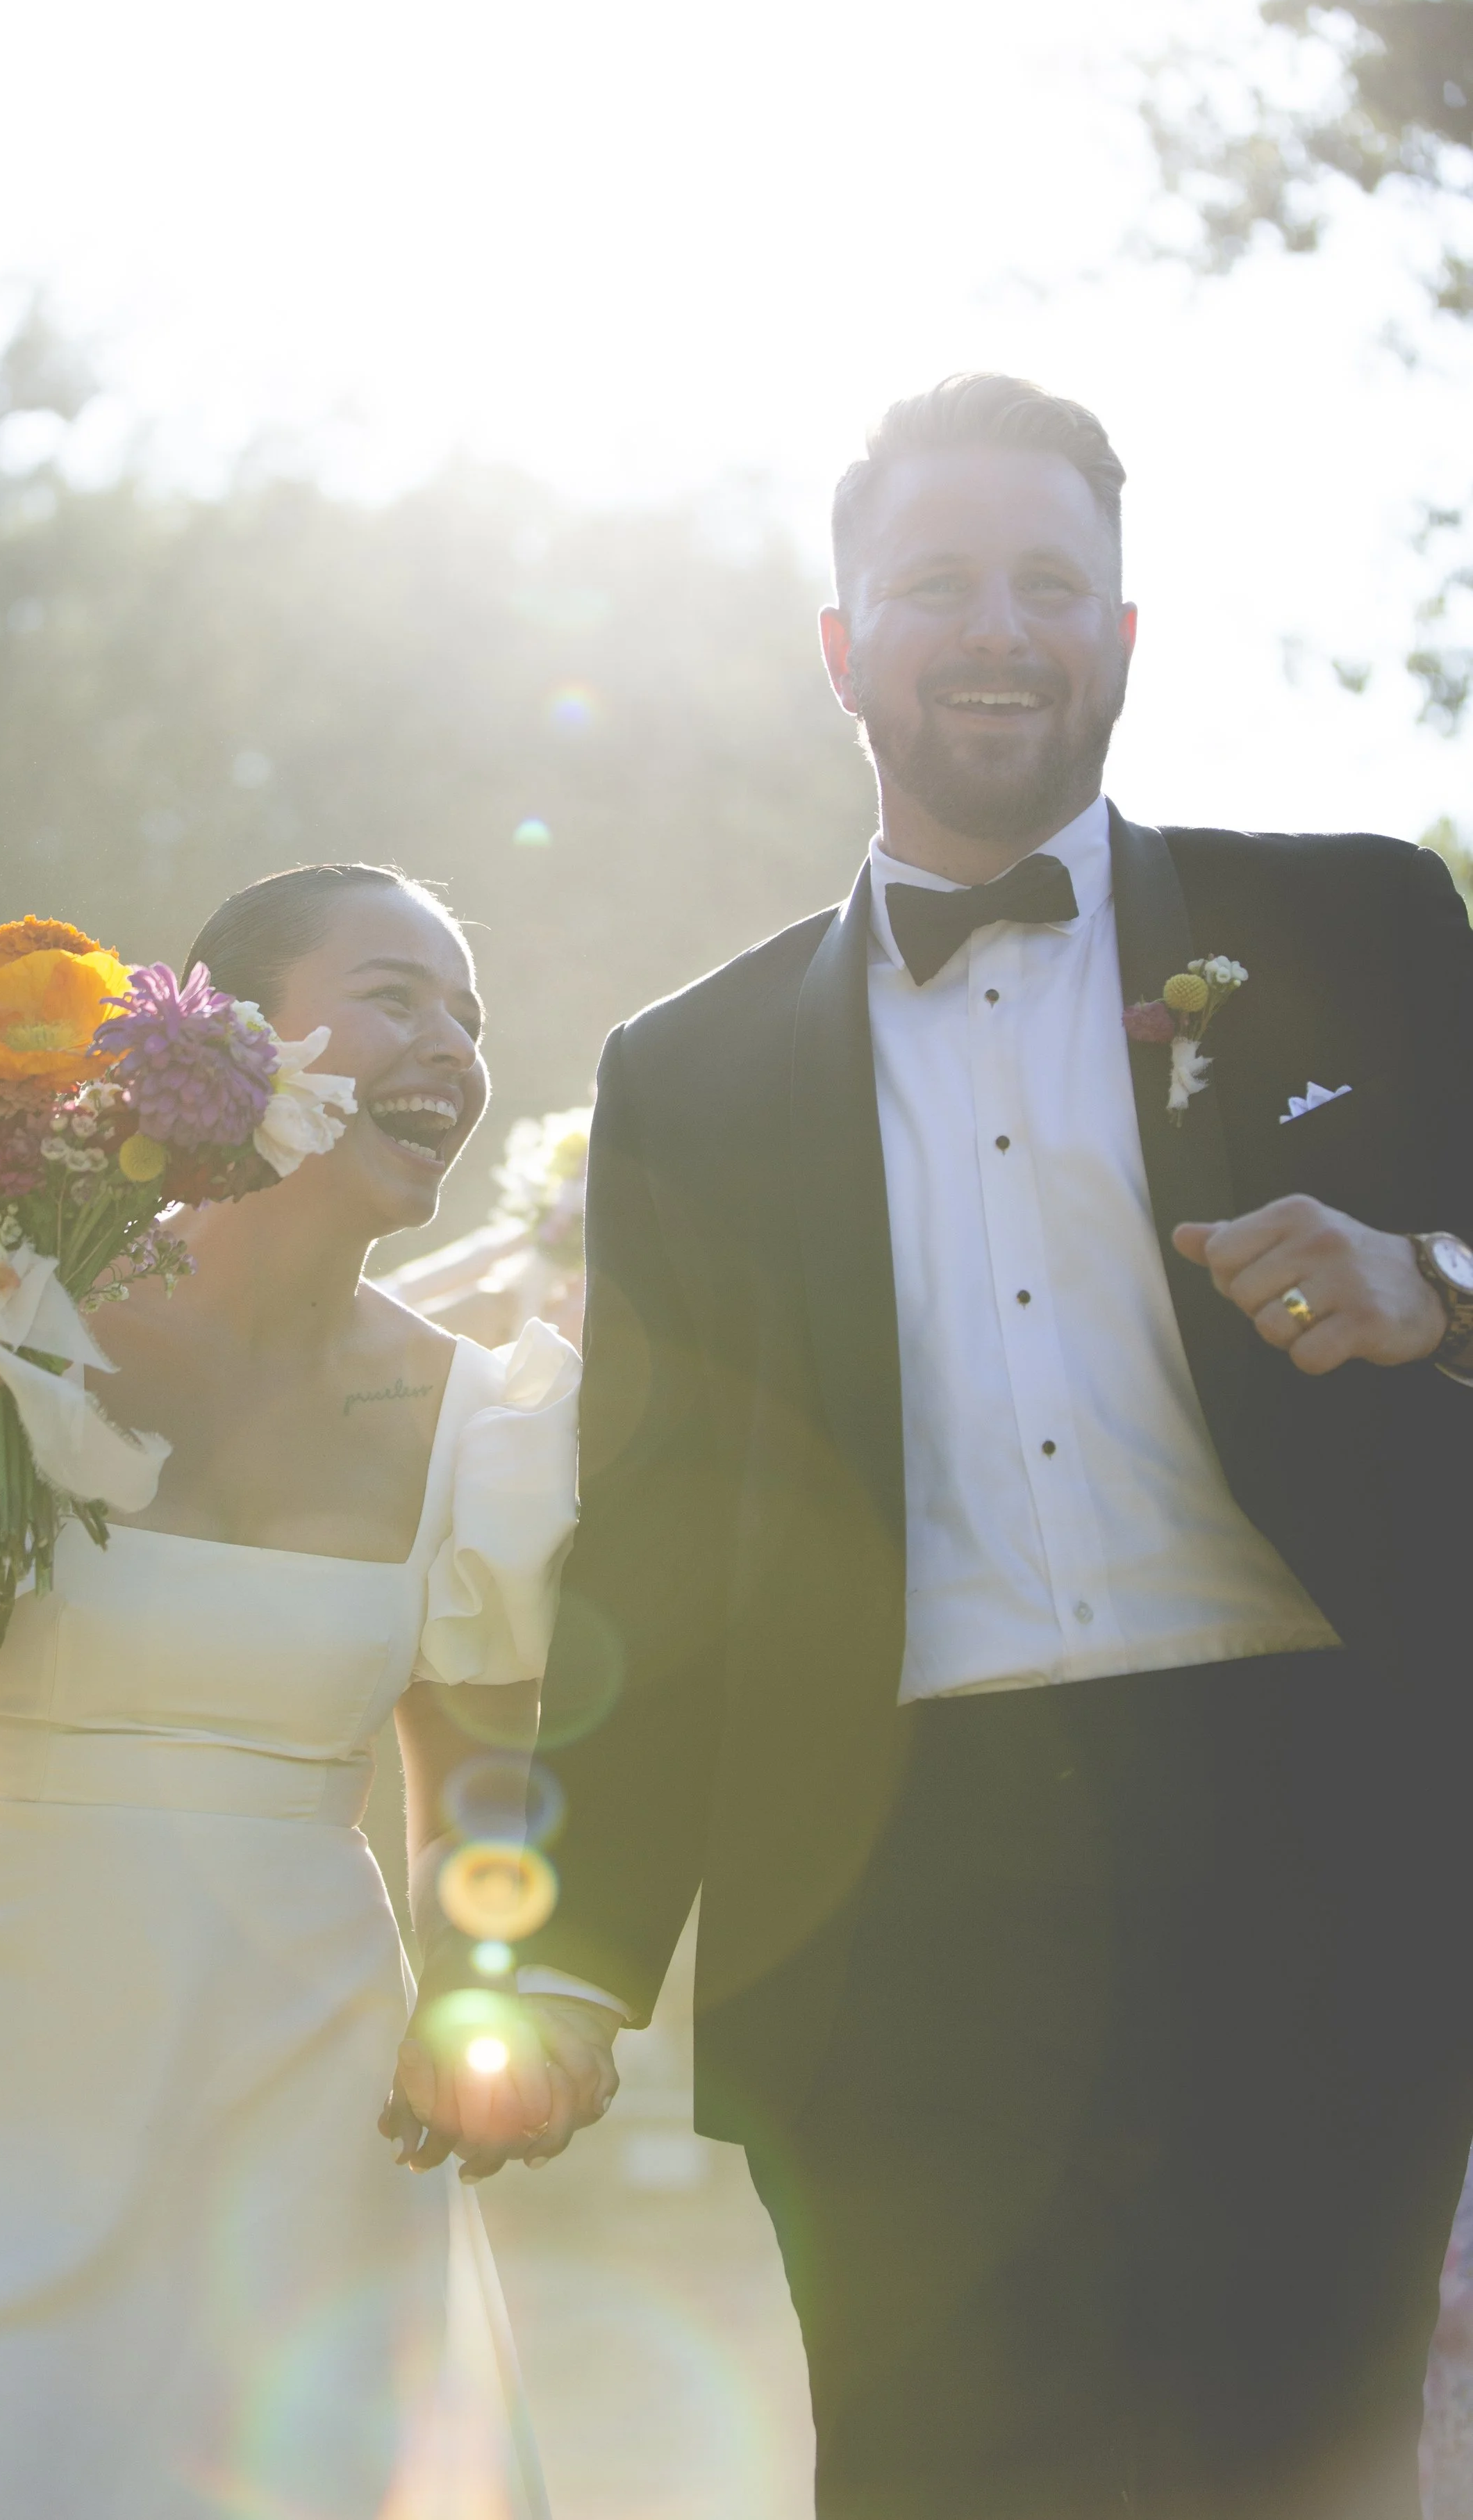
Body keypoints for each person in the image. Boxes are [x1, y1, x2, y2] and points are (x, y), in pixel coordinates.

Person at [398, 376, 1473, 2520]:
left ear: (1122, 635)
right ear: (841, 646)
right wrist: (569, 1951)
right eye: (938, 584)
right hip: (886, 1895)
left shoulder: (1360, 922)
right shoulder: (686, 1073)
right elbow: (658, 1545)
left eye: (1047, 584)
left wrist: (1433, 1271)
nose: (998, 628)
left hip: (1317, 1842)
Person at [0, 861, 576, 2519]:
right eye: (396, 995)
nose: (451, 1048)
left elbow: (474, 1797)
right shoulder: (6, 1306)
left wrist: (495, 2000)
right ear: (237, 1041)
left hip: (298, 2116)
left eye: (470, 1018)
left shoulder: (478, 1426)